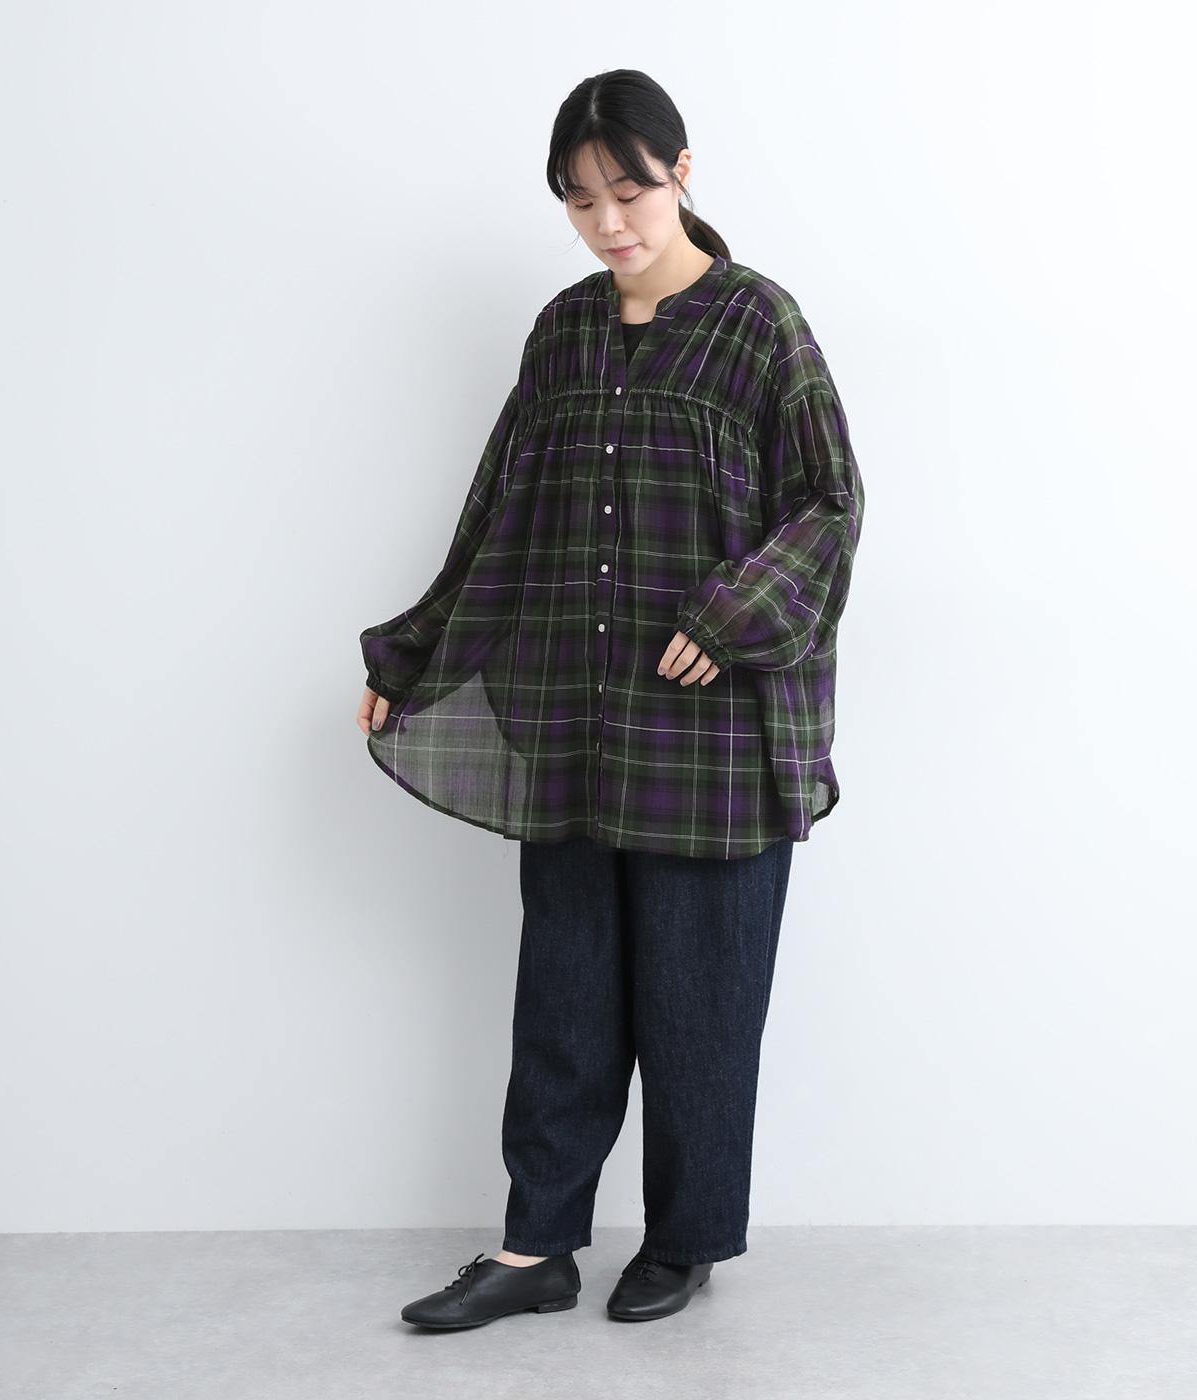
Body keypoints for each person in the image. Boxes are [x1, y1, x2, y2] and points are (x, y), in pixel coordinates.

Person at [355, 68, 865, 1330]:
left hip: (711, 739)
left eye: (628, 191)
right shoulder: (565, 331)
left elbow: (828, 503)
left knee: (700, 1005)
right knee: (565, 998)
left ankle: (684, 1241)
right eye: (580, 200)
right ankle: (535, 1246)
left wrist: (729, 617)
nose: (607, 222)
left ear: (681, 173)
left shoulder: (759, 324)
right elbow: (499, 511)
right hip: (574, 723)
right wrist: (410, 655)